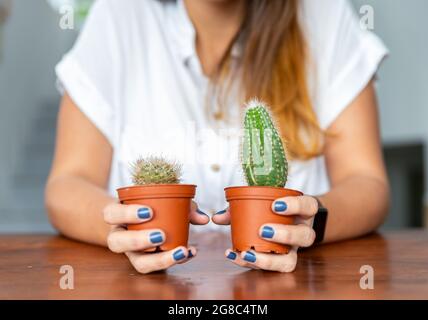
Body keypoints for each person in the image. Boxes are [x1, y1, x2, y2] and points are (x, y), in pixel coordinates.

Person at [46, 0, 390, 273]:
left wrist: (312, 221)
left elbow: (366, 182)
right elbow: (67, 183)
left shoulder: (324, 14)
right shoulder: (117, 16)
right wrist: (124, 230)